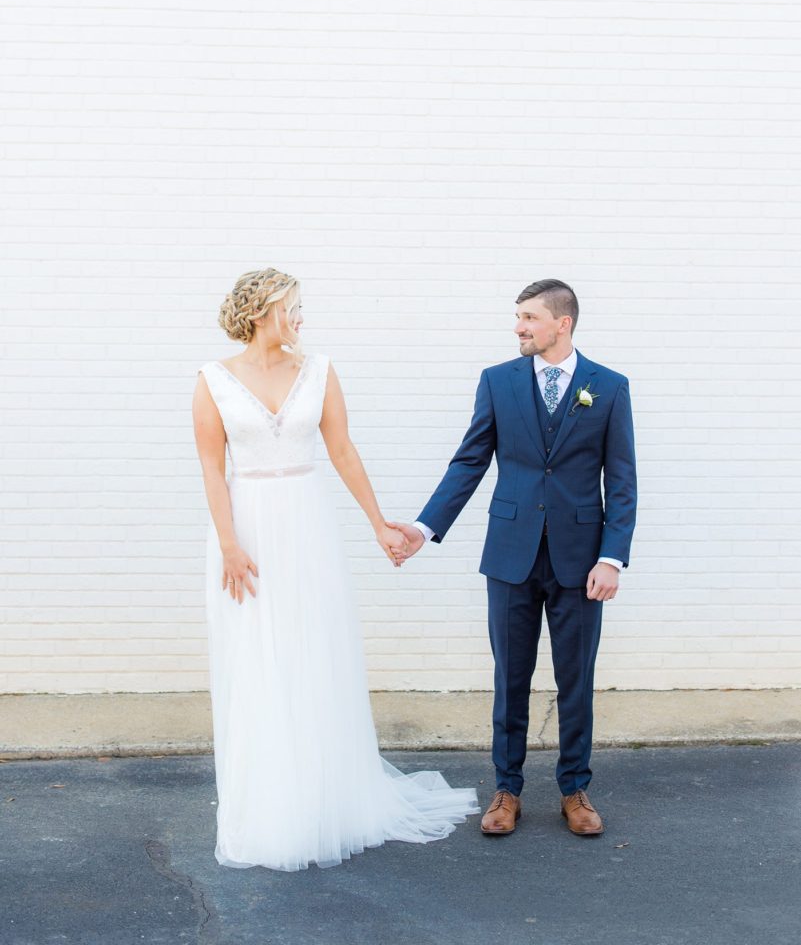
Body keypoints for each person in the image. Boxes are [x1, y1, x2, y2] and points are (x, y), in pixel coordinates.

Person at [192, 267, 478, 871]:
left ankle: (326, 796)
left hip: (306, 526)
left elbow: (342, 450)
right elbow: (213, 470)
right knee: (258, 658)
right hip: (246, 533)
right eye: (294, 307)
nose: (301, 318)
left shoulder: (319, 371)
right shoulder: (213, 381)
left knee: (312, 651)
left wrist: (379, 523)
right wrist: (229, 545)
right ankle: (271, 805)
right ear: (266, 310)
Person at [391, 279, 636, 838]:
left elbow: (622, 482)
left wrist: (612, 558)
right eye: (517, 317)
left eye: (529, 317)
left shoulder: (610, 387)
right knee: (510, 678)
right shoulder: (498, 381)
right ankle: (507, 789)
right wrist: (425, 528)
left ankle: (574, 788)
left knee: (576, 679)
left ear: (562, 323)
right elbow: (469, 460)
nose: (519, 327)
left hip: (580, 560)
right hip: (509, 555)